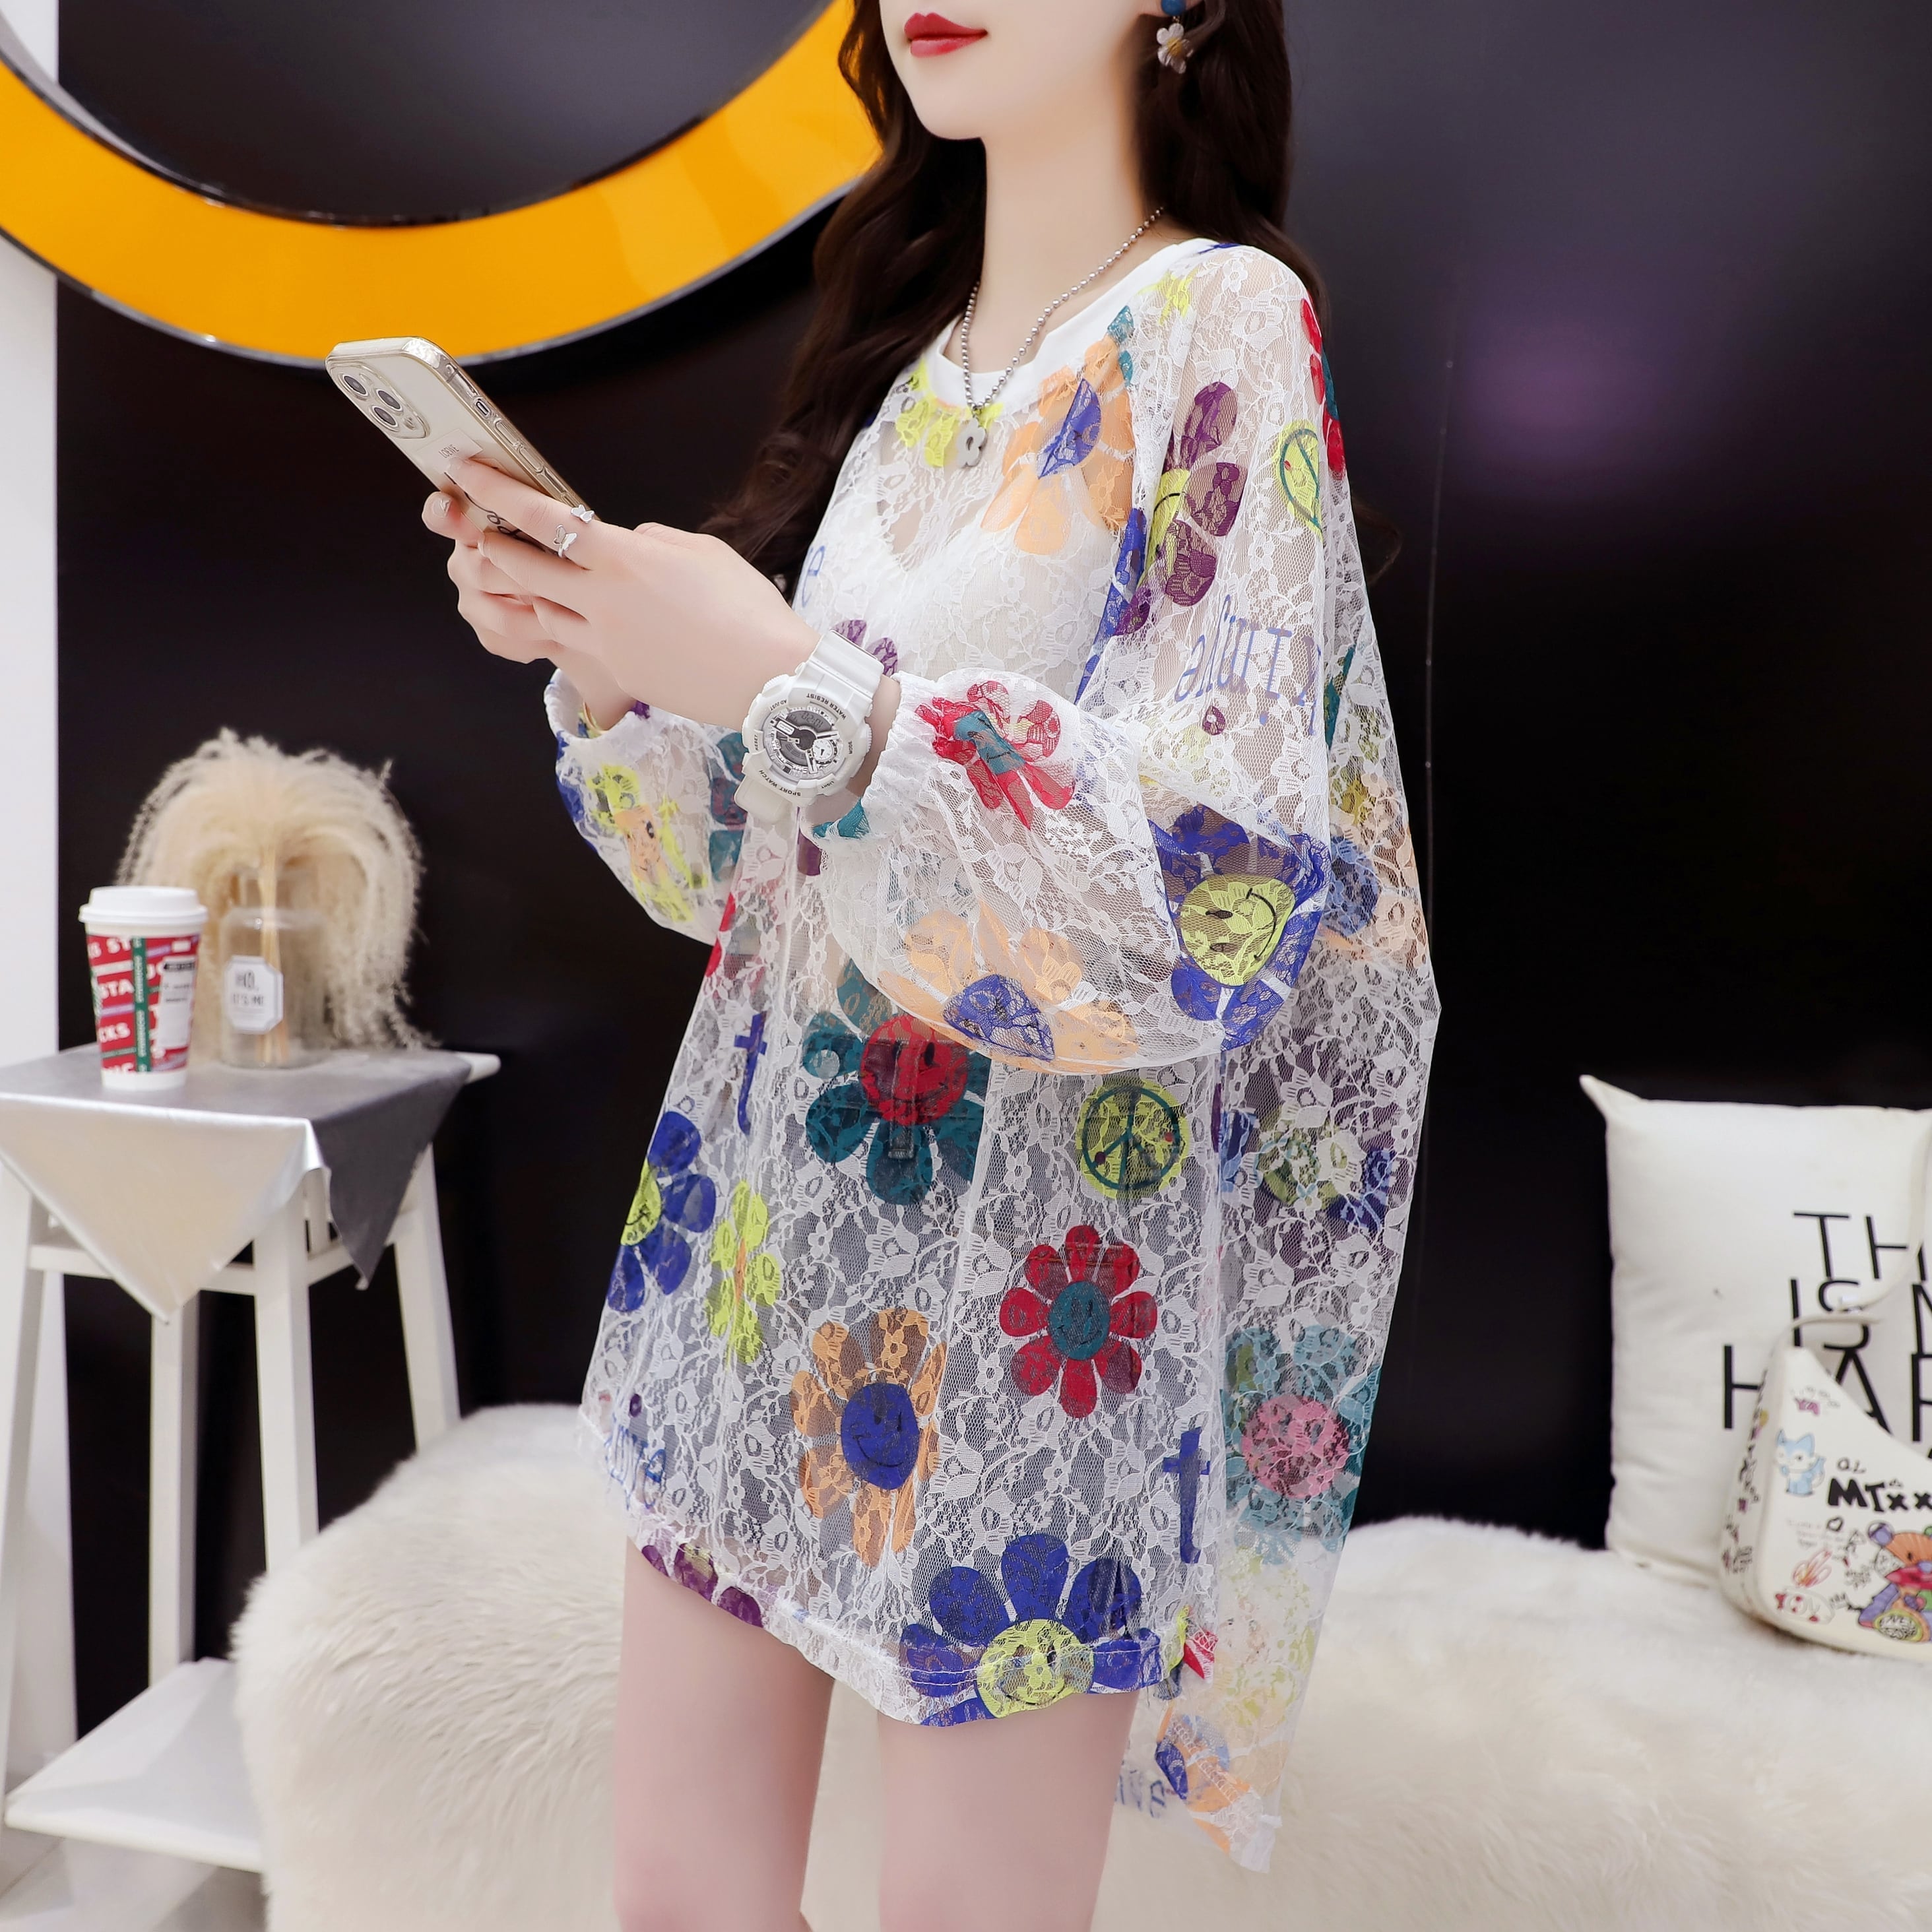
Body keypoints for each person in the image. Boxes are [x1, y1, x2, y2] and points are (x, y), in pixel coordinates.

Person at [424, 1, 1438, 1925]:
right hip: (767, 1247)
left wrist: (797, 682)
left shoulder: (1217, 323)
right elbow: (753, 880)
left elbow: (1220, 883)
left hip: (1046, 1303)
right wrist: (612, 662)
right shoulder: (914, 368)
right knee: (680, 1904)